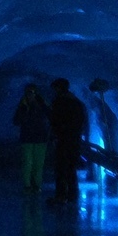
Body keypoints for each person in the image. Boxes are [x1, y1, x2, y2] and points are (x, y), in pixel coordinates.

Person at [46, 77, 89, 206]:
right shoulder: (76, 102)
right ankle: (72, 195)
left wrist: (54, 134)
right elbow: (81, 121)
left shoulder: (59, 102)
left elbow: (55, 120)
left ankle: (61, 196)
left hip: (63, 139)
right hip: (74, 139)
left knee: (61, 168)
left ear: (58, 88)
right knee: (71, 168)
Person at [11, 83, 51, 194]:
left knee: (38, 163)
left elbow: (50, 115)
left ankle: (37, 184)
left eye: (32, 93)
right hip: (28, 138)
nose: (30, 95)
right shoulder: (23, 106)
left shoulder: (42, 104)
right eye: (28, 93)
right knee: (27, 162)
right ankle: (27, 185)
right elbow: (16, 121)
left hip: (40, 137)